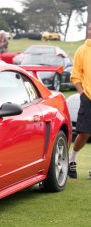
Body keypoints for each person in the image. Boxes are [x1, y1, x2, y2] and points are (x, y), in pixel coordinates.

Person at [68, 23, 91, 179]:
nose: (90, 31)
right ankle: (72, 159)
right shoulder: (82, 50)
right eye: (89, 29)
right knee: (84, 133)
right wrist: (82, 93)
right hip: (88, 97)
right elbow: (75, 76)